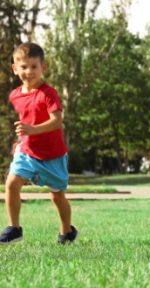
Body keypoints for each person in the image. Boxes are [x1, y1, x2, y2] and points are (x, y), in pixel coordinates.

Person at [1, 43, 77, 245]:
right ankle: (14, 228)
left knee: (57, 196)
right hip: (27, 152)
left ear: (44, 67)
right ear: (15, 69)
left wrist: (33, 130)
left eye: (34, 66)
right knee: (11, 183)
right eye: (23, 67)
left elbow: (57, 121)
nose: (29, 72)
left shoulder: (48, 94)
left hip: (53, 155)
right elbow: (25, 120)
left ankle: (67, 231)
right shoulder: (15, 95)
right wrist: (20, 141)